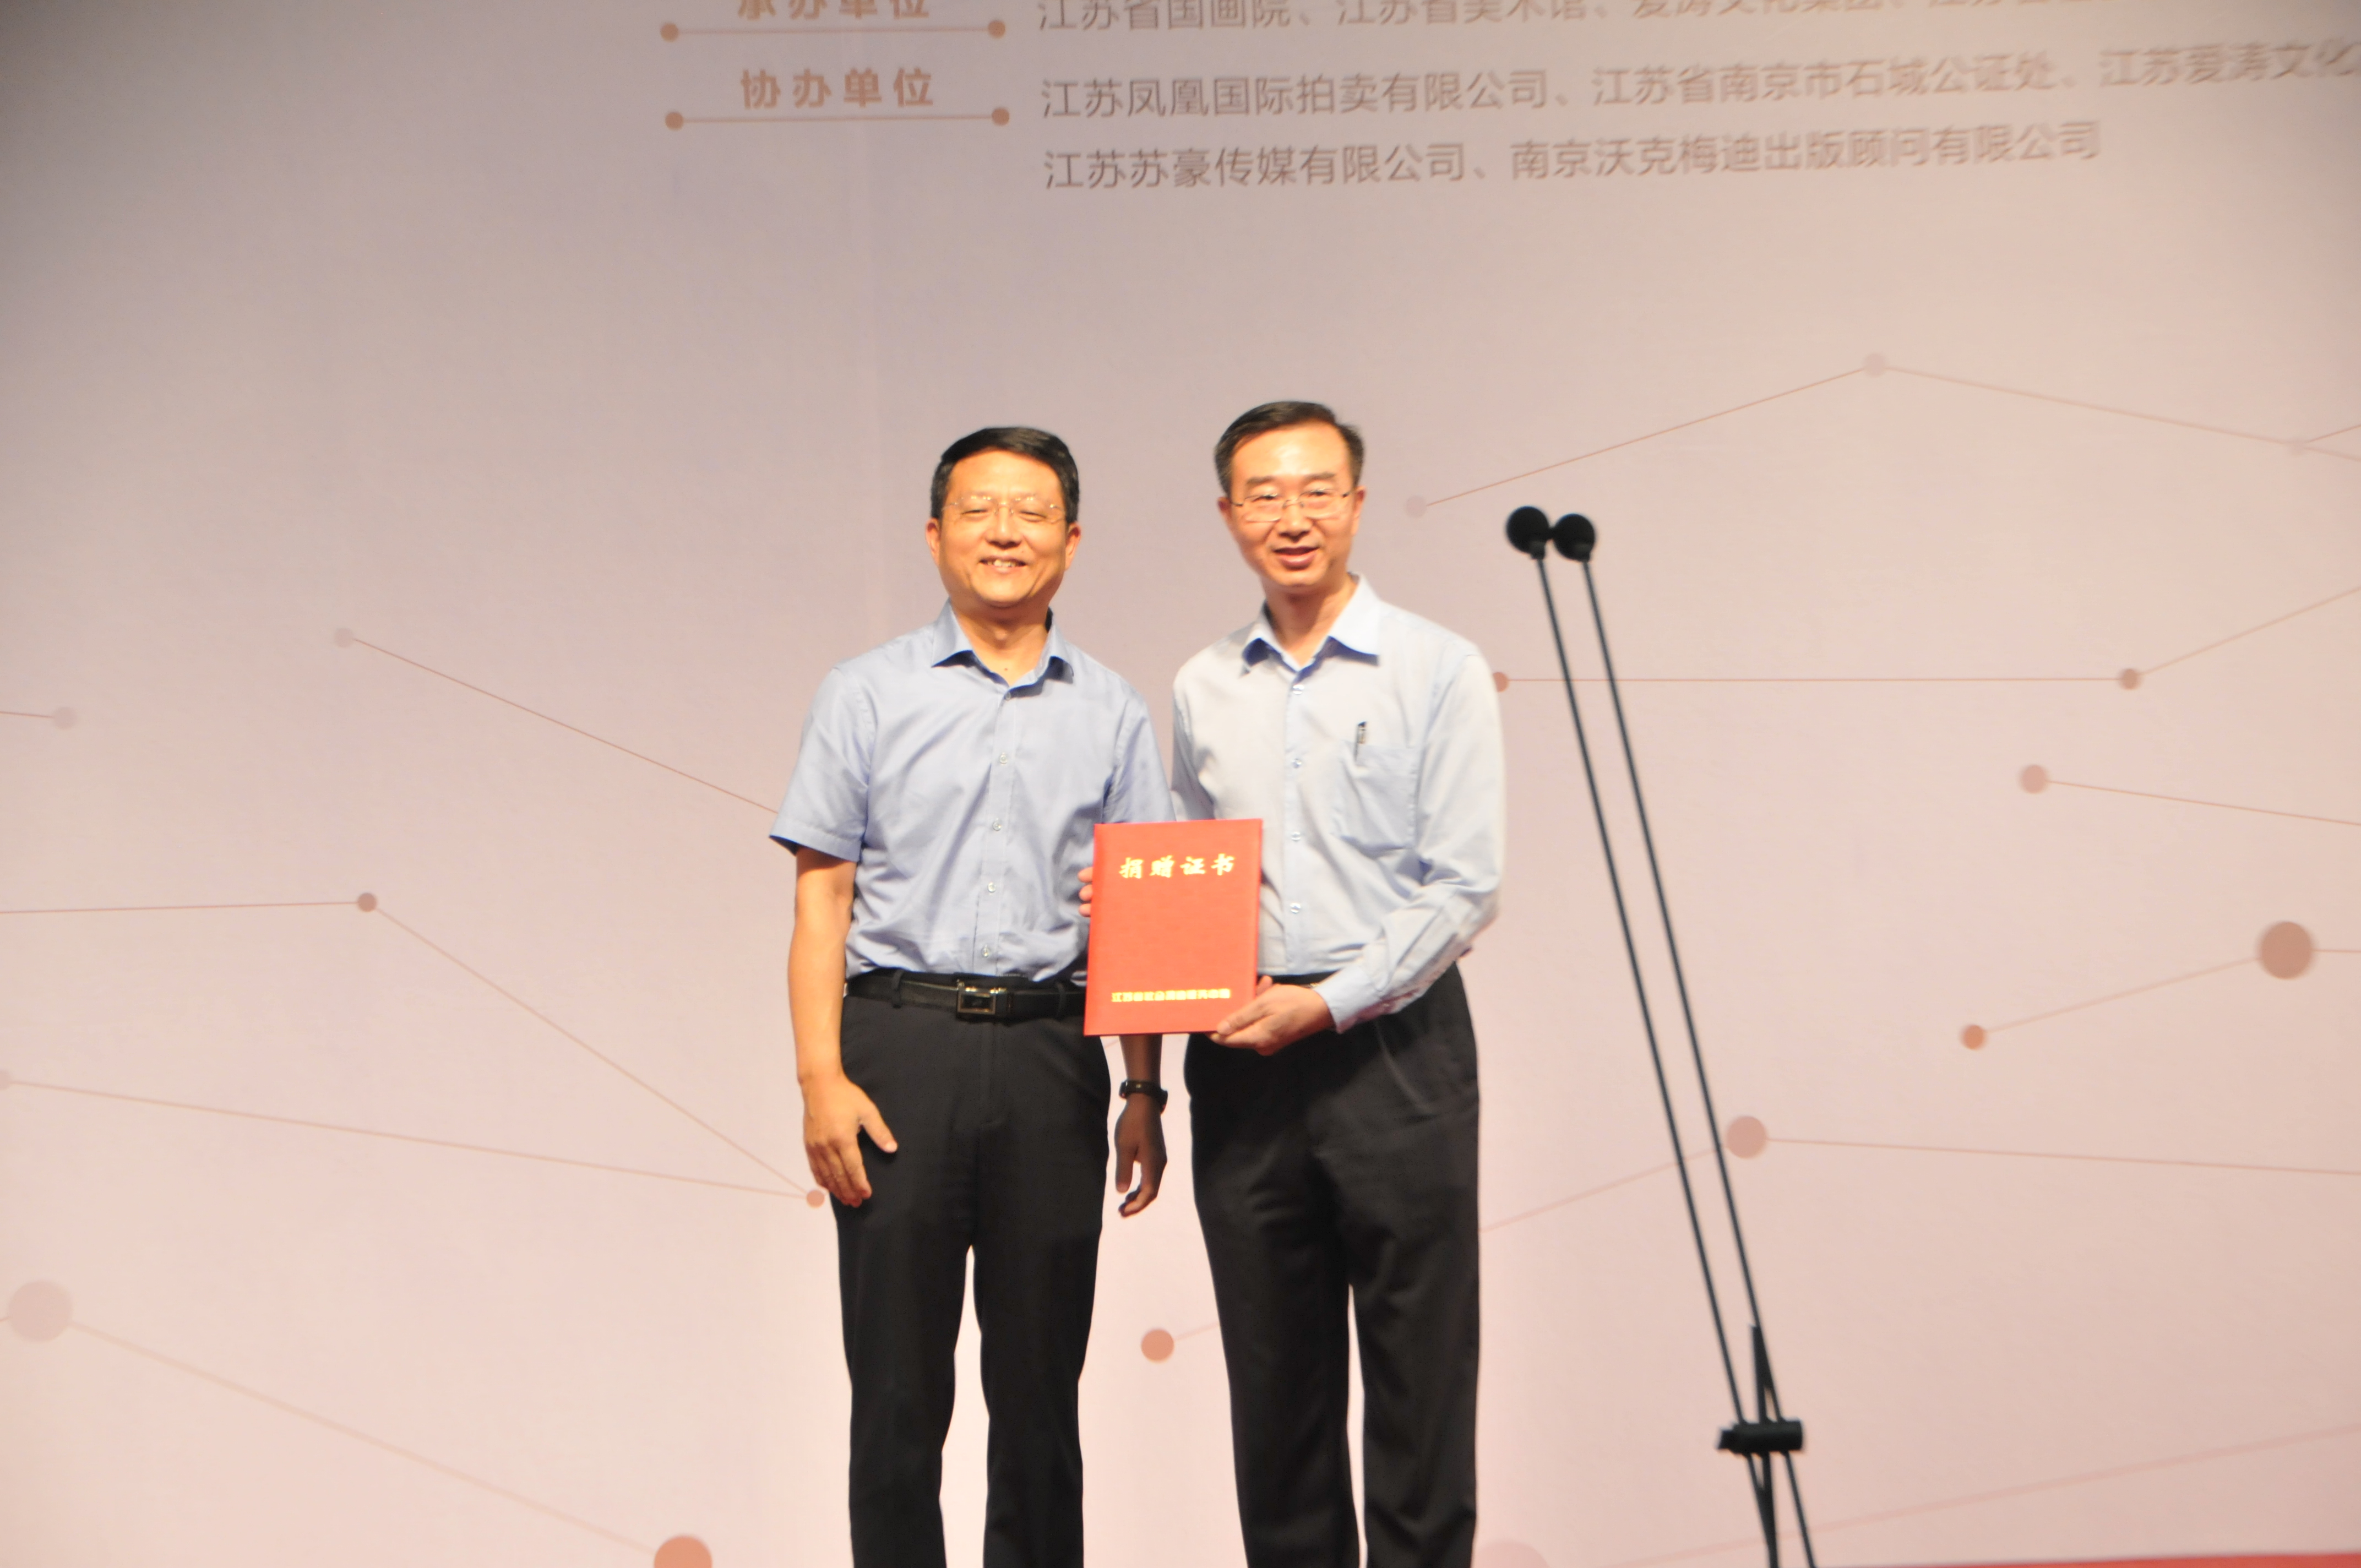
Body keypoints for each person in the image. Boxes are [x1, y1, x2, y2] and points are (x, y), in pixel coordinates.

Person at [774, 427, 1171, 1568]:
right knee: (896, 1392)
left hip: (1052, 1056)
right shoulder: (864, 693)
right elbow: (820, 902)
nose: (1006, 533)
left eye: (1032, 513)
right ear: (935, 533)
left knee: (1041, 1392)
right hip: (900, 1049)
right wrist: (820, 1078)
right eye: (980, 510)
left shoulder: (1112, 710)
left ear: (1071, 541)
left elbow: (1141, 920)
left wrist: (1143, 1092)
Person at [1175, 401, 1505, 1568]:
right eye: (1264, 495)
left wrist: (1329, 1000)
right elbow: (1193, 873)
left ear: (1357, 504)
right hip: (1242, 1053)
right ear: (1229, 515)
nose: (1292, 516)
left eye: (1317, 490)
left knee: (1421, 1372)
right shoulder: (1202, 684)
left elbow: (1464, 884)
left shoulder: (1436, 665)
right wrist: (1133, 918)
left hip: (1394, 1047)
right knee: (1275, 1385)